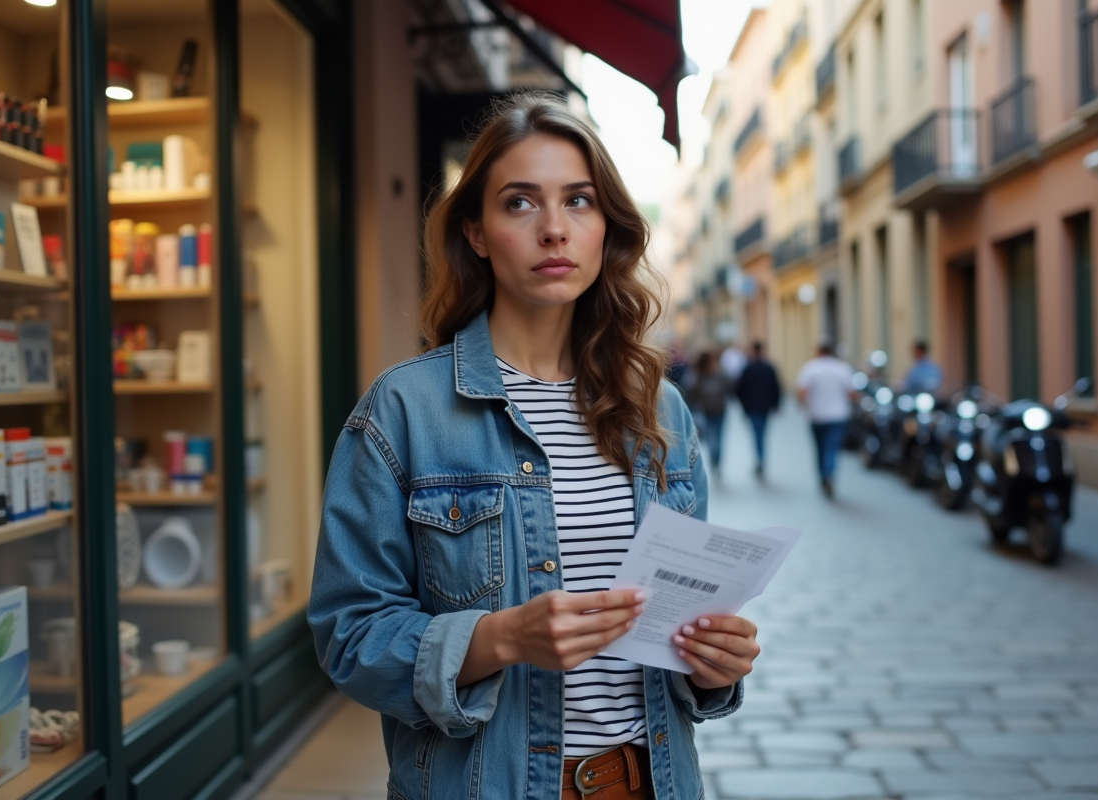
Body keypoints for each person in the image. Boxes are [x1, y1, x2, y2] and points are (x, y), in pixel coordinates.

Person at [307, 95, 758, 800]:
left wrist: (713, 664)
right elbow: (349, 636)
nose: (555, 229)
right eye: (520, 204)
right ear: (478, 233)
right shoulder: (404, 411)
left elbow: (678, 623)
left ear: (607, 227)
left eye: (579, 201)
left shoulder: (657, 409)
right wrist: (501, 639)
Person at [796, 342, 857, 498]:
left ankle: (823, 477)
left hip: (817, 416)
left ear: (817, 352)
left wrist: (806, 407)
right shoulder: (842, 368)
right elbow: (852, 393)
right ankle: (830, 475)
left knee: (820, 449)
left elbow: (802, 393)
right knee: (832, 449)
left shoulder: (810, 368)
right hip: (838, 416)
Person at [734, 341, 782, 478]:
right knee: (762, 433)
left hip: (752, 406)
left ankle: (760, 459)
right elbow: (776, 387)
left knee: (757, 433)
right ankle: (761, 459)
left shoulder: (748, 367)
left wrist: (743, 405)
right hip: (765, 406)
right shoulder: (769, 367)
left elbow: (739, 389)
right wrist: (776, 404)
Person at [686, 350, 732, 475]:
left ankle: (717, 461)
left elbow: (729, 387)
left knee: (720, 437)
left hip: (720, 410)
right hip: (706, 411)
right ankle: (714, 460)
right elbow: (691, 391)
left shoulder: (721, 374)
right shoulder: (698, 375)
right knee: (712, 438)